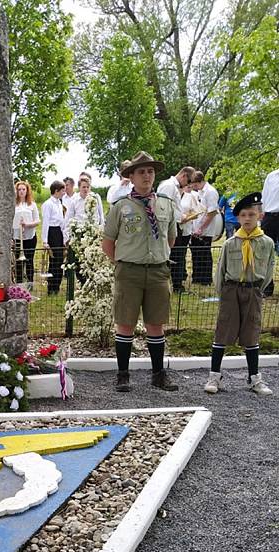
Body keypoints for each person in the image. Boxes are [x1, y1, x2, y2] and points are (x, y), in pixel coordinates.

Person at [101, 151, 178, 392]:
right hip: (129, 273)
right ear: (131, 177)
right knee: (125, 324)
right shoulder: (121, 207)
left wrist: (156, 257)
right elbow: (107, 242)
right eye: (142, 172)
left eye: (151, 171)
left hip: (158, 272)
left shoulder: (165, 203)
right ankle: (123, 375)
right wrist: (123, 263)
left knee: (156, 324)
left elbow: (171, 238)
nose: (147, 175)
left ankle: (158, 374)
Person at [204, 192, 275, 396]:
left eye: (251, 214)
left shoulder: (267, 243)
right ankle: (214, 376)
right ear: (238, 217)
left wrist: (258, 290)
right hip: (231, 290)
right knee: (222, 332)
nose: (247, 219)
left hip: (253, 290)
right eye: (243, 215)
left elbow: (269, 269)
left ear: (259, 215)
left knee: (251, 333)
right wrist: (223, 294)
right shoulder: (231, 243)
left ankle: (254, 379)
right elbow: (221, 270)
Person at [157, 166, 196, 291]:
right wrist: (180, 218)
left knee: (178, 256)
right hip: (170, 225)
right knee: (175, 256)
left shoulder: (173, 187)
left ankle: (177, 284)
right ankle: (176, 285)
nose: (187, 185)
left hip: (176, 224)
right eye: (189, 182)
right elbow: (164, 208)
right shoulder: (168, 186)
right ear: (184, 175)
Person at [190, 171, 220, 285]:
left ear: (201, 181)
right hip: (197, 227)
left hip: (205, 230)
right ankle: (197, 277)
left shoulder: (210, 192)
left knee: (204, 254)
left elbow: (211, 213)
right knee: (196, 253)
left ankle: (206, 279)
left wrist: (201, 228)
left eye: (195, 185)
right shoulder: (201, 192)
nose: (194, 187)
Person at [41, 180, 66, 295]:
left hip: (59, 232)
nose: (64, 192)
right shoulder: (48, 204)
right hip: (51, 232)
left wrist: (65, 237)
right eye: (62, 190)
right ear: (56, 191)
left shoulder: (59, 203)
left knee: (60, 260)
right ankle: (51, 288)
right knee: (54, 261)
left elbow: (62, 221)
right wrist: (45, 240)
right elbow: (45, 222)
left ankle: (57, 286)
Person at [12, 180, 39, 285]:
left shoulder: (32, 204)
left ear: (27, 191)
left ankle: (30, 283)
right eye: (19, 189)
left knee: (29, 260)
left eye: (23, 189)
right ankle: (19, 284)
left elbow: (37, 220)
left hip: (30, 236)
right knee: (18, 262)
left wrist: (27, 225)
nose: (21, 191)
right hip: (17, 237)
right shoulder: (14, 204)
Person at [261, 165, 279, 297]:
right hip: (270, 216)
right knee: (265, 252)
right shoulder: (271, 176)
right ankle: (267, 287)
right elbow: (264, 196)